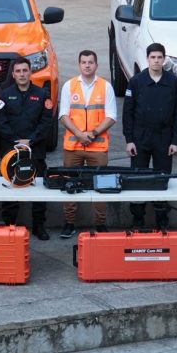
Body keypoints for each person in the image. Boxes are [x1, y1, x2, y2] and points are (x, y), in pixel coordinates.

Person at [122, 43, 177, 230]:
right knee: (137, 179)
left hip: (164, 139)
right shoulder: (136, 82)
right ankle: (137, 220)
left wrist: (175, 141)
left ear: (164, 59)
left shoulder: (173, 82)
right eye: (153, 57)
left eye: (159, 57)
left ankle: (162, 220)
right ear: (147, 59)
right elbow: (128, 113)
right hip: (140, 138)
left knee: (162, 179)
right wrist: (129, 140)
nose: (156, 61)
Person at [59, 50, 117, 238]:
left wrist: (91, 134)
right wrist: (78, 134)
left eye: (90, 62)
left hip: (97, 147)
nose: (87, 65)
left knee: (101, 186)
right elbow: (63, 115)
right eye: (83, 62)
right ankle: (69, 223)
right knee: (70, 185)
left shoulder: (105, 87)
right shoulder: (69, 86)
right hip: (73, 147)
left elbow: (111, 116)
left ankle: (100, 224)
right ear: (79, 65)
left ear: (96, 65)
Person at [0, 57, 54, 240]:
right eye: (18, 71)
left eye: (25, 70)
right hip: (11, 152)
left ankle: (39, 225)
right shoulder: (4, 95)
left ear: (30, 72)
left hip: (35, 150)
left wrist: (31, 140)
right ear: (13, 74)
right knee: (9, 189)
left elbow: (46, 122)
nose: (22, 74)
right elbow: (0, 122)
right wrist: (16, 141)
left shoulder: (42, 95)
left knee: (38, 190)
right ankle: (9, 225)